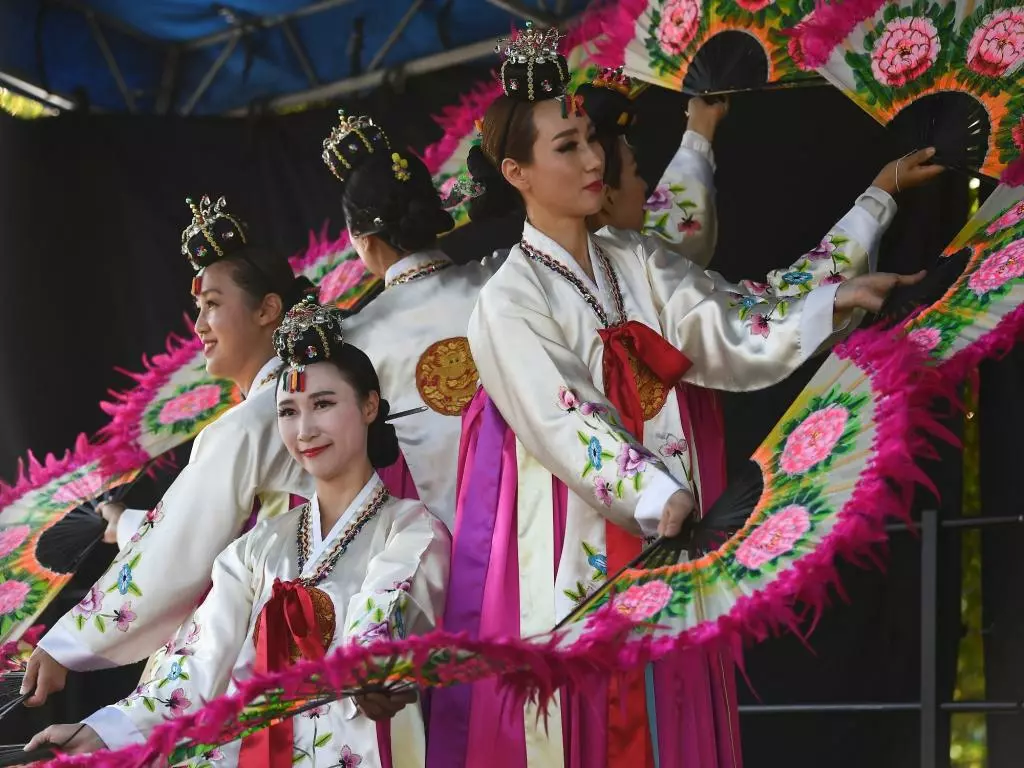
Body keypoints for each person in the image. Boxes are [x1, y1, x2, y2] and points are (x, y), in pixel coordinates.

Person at [429, 22, 937, 768]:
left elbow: (730, 328)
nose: (594, 157)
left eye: (588, 139)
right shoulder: (506, 300)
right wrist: (652, 494)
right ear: (517, 172)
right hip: (580, 537)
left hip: (676, 533)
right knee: (593, 727)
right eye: (566, 147)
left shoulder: (635, 260)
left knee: (676, 720)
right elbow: (561, 417)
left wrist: (829, 304)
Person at [27, 297, 452, 767]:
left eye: (324, 404)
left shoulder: (411, 528)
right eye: (288, 411)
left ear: (369, 405)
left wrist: (372, 675)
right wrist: (99, 733)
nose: (305, 429)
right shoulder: (258, 547)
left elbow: (382, 620)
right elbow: (198, 664)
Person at [22, 196, 317, 708]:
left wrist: (67, 644)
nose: (200, 326)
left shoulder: (250, 423)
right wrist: (130, 523)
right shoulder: (303, 400)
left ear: (268, 309)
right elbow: (218, 526)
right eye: (198, 309)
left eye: (214, 306)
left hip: (273, 635)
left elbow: (180, 550)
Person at [322, 112, 502, 529]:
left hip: (448, 546)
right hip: (555, 515)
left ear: (362, 241)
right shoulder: (501, 276)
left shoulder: (354, 341)